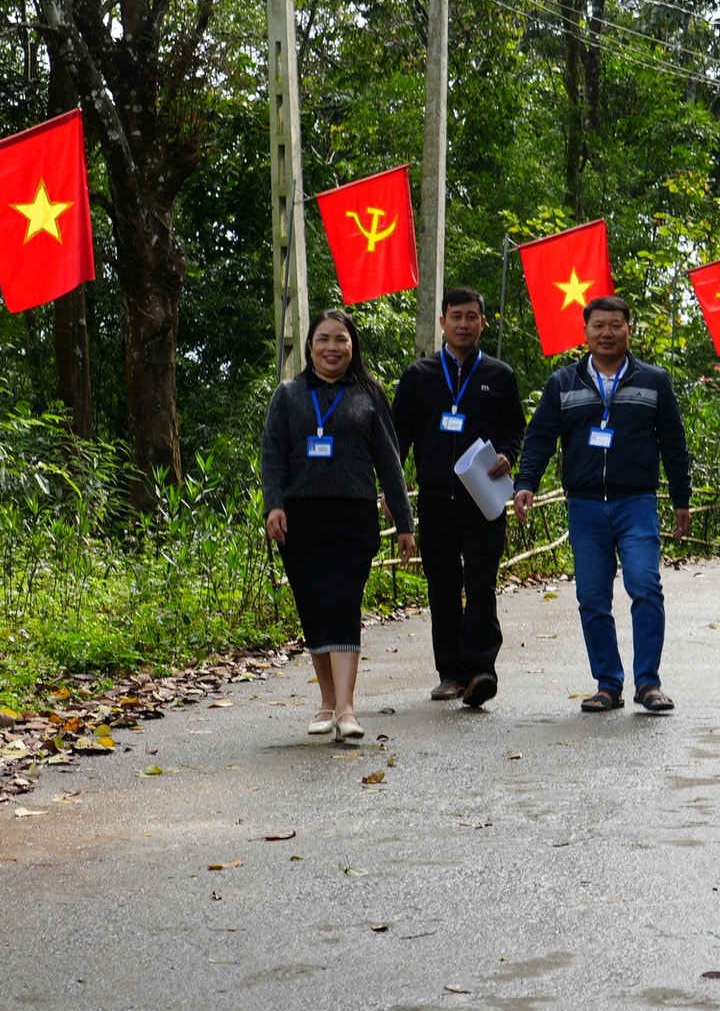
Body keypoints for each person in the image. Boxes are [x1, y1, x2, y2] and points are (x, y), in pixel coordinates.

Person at [512, 295, 691, 714]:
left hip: (637, 503)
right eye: (598, 326)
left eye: (615, 325)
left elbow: (674, 442)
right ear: (586, 331)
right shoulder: (563, 383)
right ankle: (608, 684)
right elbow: (539, 438)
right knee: (592, 597)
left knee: (645, 586)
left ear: (630, 329)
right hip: (586, 506)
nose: (607, 333)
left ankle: (649, 683)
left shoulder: (654, 381)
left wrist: (681, 498)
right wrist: (526, 483)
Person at [261, 310, 415, 740]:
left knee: (345, 601)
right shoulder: (288, 395)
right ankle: (326, 702)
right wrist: (273, 505)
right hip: (299, 517)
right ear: (310, 347)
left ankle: (347, 708)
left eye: (341, 340)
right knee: (314, 606)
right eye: (324, 339)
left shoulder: (368, 394)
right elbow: (272, 456)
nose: (332, 348)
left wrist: (404, 521)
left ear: (353, 348)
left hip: (353, 515)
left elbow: (390, 462)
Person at [391, 287, 527, 708]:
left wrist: (508, 454)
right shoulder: (420, 376)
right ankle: (450, 673)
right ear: (443, 322)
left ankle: (481, 670)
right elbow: (398, 438)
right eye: (456, 316)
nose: (464, 324)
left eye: (472, 316)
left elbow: (515, 429)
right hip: (435, 499)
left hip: (483, 497)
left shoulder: (500, 375)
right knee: (443, 586)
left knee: (481, 583)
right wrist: (392, 492)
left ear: (484, 322)